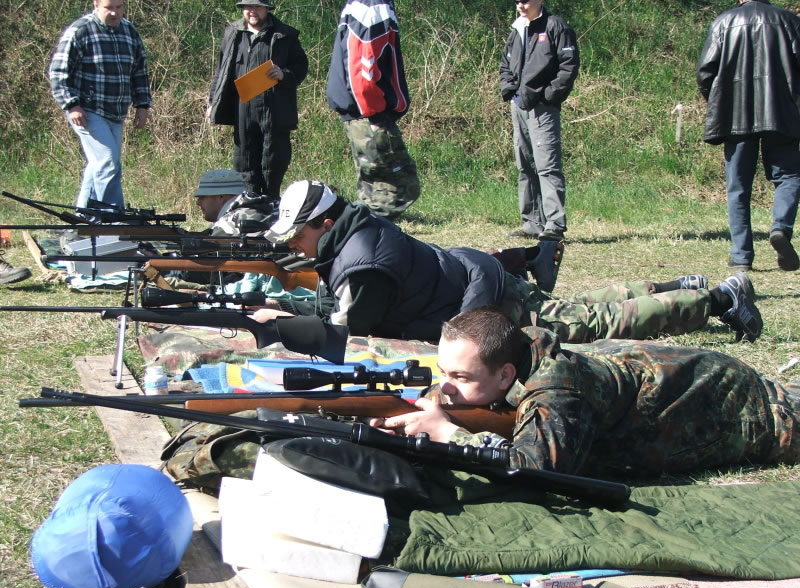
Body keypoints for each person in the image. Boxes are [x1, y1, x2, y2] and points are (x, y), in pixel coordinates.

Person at [254, 179, 762, 344]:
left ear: (324, 223)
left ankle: (718, 298)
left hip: (485, 301)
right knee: (579, 308)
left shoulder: (361, 260)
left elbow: (348, 330)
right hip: (479, 282)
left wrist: (279, 325)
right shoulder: (358, 231)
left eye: (298, 234)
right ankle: (680, 286)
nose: (296, 245)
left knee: (596, 323)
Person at [371, 307, 800, 478]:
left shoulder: (558, 390)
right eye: (443, 372)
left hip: (741, 405)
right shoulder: (512, 351)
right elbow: (455, 392)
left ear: (505, 375)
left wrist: (448, 433)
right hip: (680, 375)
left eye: (460, 377)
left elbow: (534, 469)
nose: (446, 386)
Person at [697, 0, 800, 272]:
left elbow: (705, 73)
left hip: (735, 115)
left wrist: (719, 103)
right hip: (782, 114)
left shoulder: (723, 22)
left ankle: (741, 257)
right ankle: (781, 228)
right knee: (789, 176)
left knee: (738, 188)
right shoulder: (789, 21)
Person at [49, 0, 152, 210]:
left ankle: (84, 217)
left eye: (119, 7)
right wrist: (71, 105)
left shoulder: (129, 31)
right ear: (96, 5)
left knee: (98, 165)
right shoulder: (80, 31)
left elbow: (139, 70)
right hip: (88, 111)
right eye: (109, 8)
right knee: (107, 163)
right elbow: (58, 72)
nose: (114, 13)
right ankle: (112, 218)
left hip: (117, 112)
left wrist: (142, 105)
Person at [326, 0, 420, 220]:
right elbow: (362, 67)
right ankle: (365, 227)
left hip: (360, 111)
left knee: (372, 183)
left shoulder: (360, 6)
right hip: (369, 112)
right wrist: (373, 113)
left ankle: (361, 222)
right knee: (399, 183)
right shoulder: (372, 8)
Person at [207, 0, 308, 200]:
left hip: (275, 109)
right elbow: (221, 71)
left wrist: (284, 74)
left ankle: (271, 203)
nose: (252, 11)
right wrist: (212, 102)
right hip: (242, 107)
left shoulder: (285, 35)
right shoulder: (232, 33)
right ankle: (251, 204)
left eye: (257, 7)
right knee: (244, 160)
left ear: (267, 9)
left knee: (274, 161)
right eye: (248, 7)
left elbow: (301, 66)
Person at [500, 0, 579, 241]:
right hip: (519, 107)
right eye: (517, 1)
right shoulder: (517, 29)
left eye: (525, 0)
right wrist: (510, 90)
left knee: (547, 166)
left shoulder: (556, 26)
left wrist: (549, 96)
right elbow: (505, 64)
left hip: (543, 109)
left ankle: (554, 225)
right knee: (525, 166)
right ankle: (533, 223)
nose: (520, 5)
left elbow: (568, 65)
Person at [193, 169, 276, 236]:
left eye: (202, 197)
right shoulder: (260, 208)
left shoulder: (228, 225)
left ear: (221, 196)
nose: (198, 202)